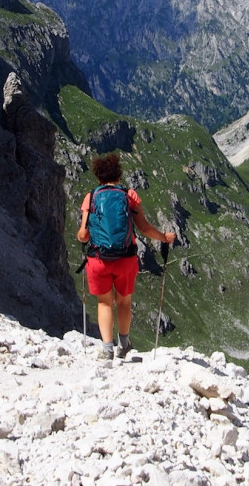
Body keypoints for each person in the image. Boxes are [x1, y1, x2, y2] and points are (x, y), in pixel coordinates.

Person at [77, 152, 175, 360]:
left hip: (98, 260)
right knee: (123, 302)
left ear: (98, 177)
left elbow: (84, 235)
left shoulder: (91, 197)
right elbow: (145, 228)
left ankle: (106, 349)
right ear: (119, 175)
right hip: (126, 259)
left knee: (104, 303)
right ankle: (124, 344)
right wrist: (164, 238)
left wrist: (82, 237)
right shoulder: (129, 196)